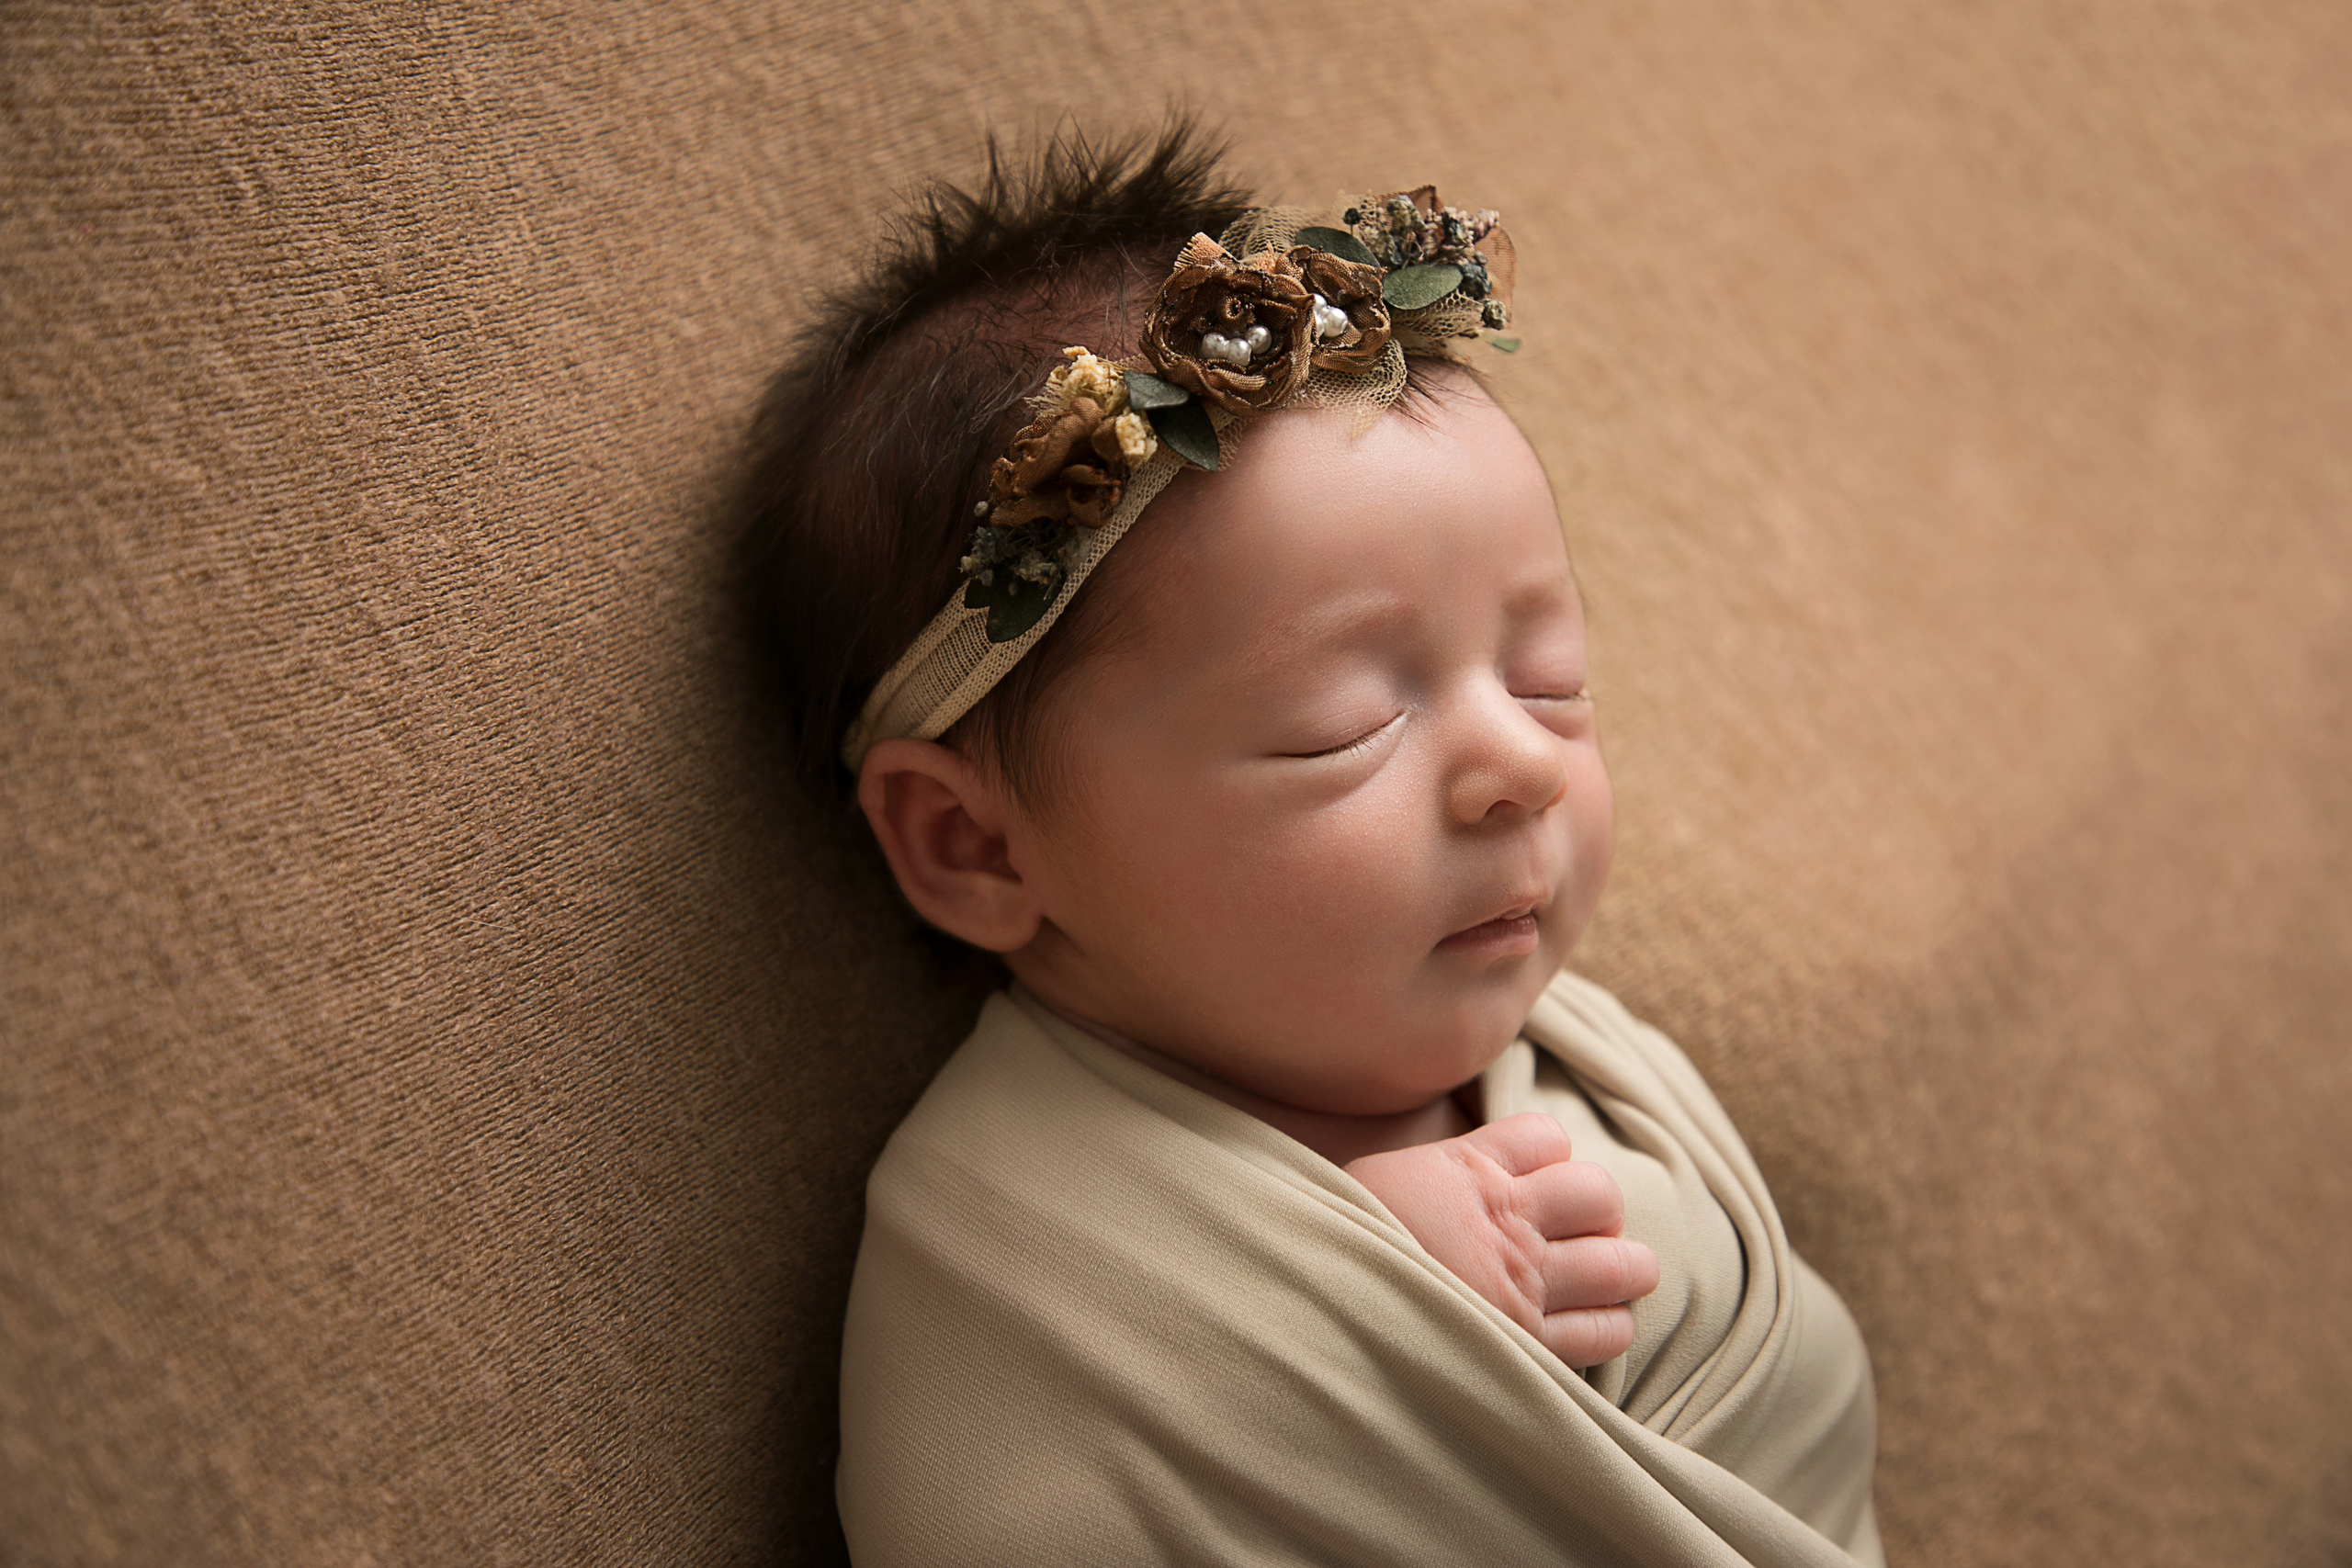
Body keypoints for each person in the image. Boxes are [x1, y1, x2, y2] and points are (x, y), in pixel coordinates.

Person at [738, 122, 1883, 1566]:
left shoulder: (1604, 1081)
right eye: (1346, 725)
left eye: (1551, 681)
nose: (1521, 766)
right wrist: (1343, 1300)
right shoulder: (1015, 1260)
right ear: (971, 843)